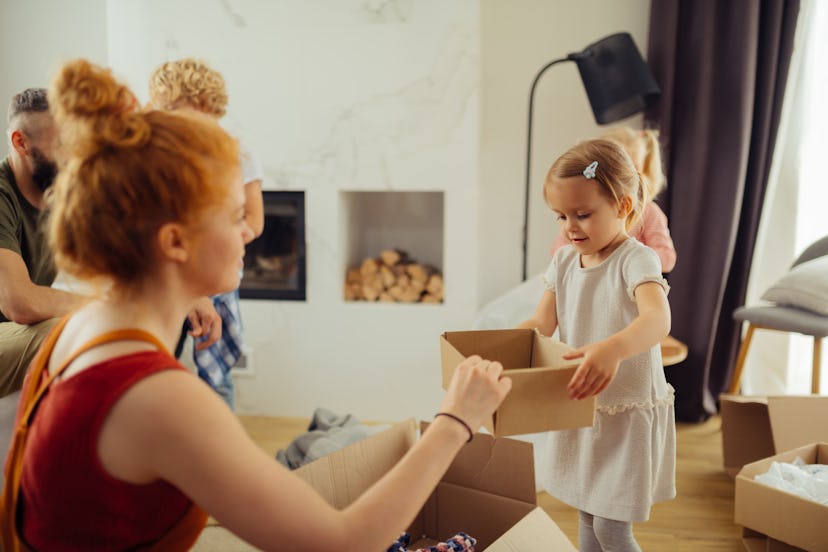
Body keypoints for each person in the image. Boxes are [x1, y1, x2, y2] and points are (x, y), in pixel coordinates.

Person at [0, 58, 511, 551]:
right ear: (174, 242)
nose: (248, 231)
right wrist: (455, 421)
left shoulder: (83, 326)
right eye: (233, 215)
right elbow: (343, 543)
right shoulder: (163, 398)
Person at [519, 139, 675, 551]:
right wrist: (506, 345)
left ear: (623, 207)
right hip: (584, 404)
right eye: (561, 216)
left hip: (625, 411)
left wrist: (614, 348)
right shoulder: (565, 261)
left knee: (611, 527)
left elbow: (657, 319)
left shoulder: (636, 259)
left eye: (583, 215)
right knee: (588, 515)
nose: (570, 227)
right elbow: (542, 322)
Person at [148, 57, 265, 409]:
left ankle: (220, 439)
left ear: (208, 107)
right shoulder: (155, 157)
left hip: (213, 269)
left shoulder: (237, 155)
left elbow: (255, 221)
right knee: (160, 363)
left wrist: (221, 234)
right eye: (166, 114)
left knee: (215, 375)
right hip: (167, 277)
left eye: (184, 115)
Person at [0, 88, 81, 397]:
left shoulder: (59, 189)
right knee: (59, 332)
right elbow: (21, 303)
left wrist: (188, 292)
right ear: (21, 142)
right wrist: (100, 307)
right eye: (61, 144)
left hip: (11, 333)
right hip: (9, 326)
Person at [550, 127, 676, 273]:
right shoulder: (579, 215)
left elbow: (667, 259)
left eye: (631, 169)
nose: (621, 179)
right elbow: (557, 253)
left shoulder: (649, 212)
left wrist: (631, 257)